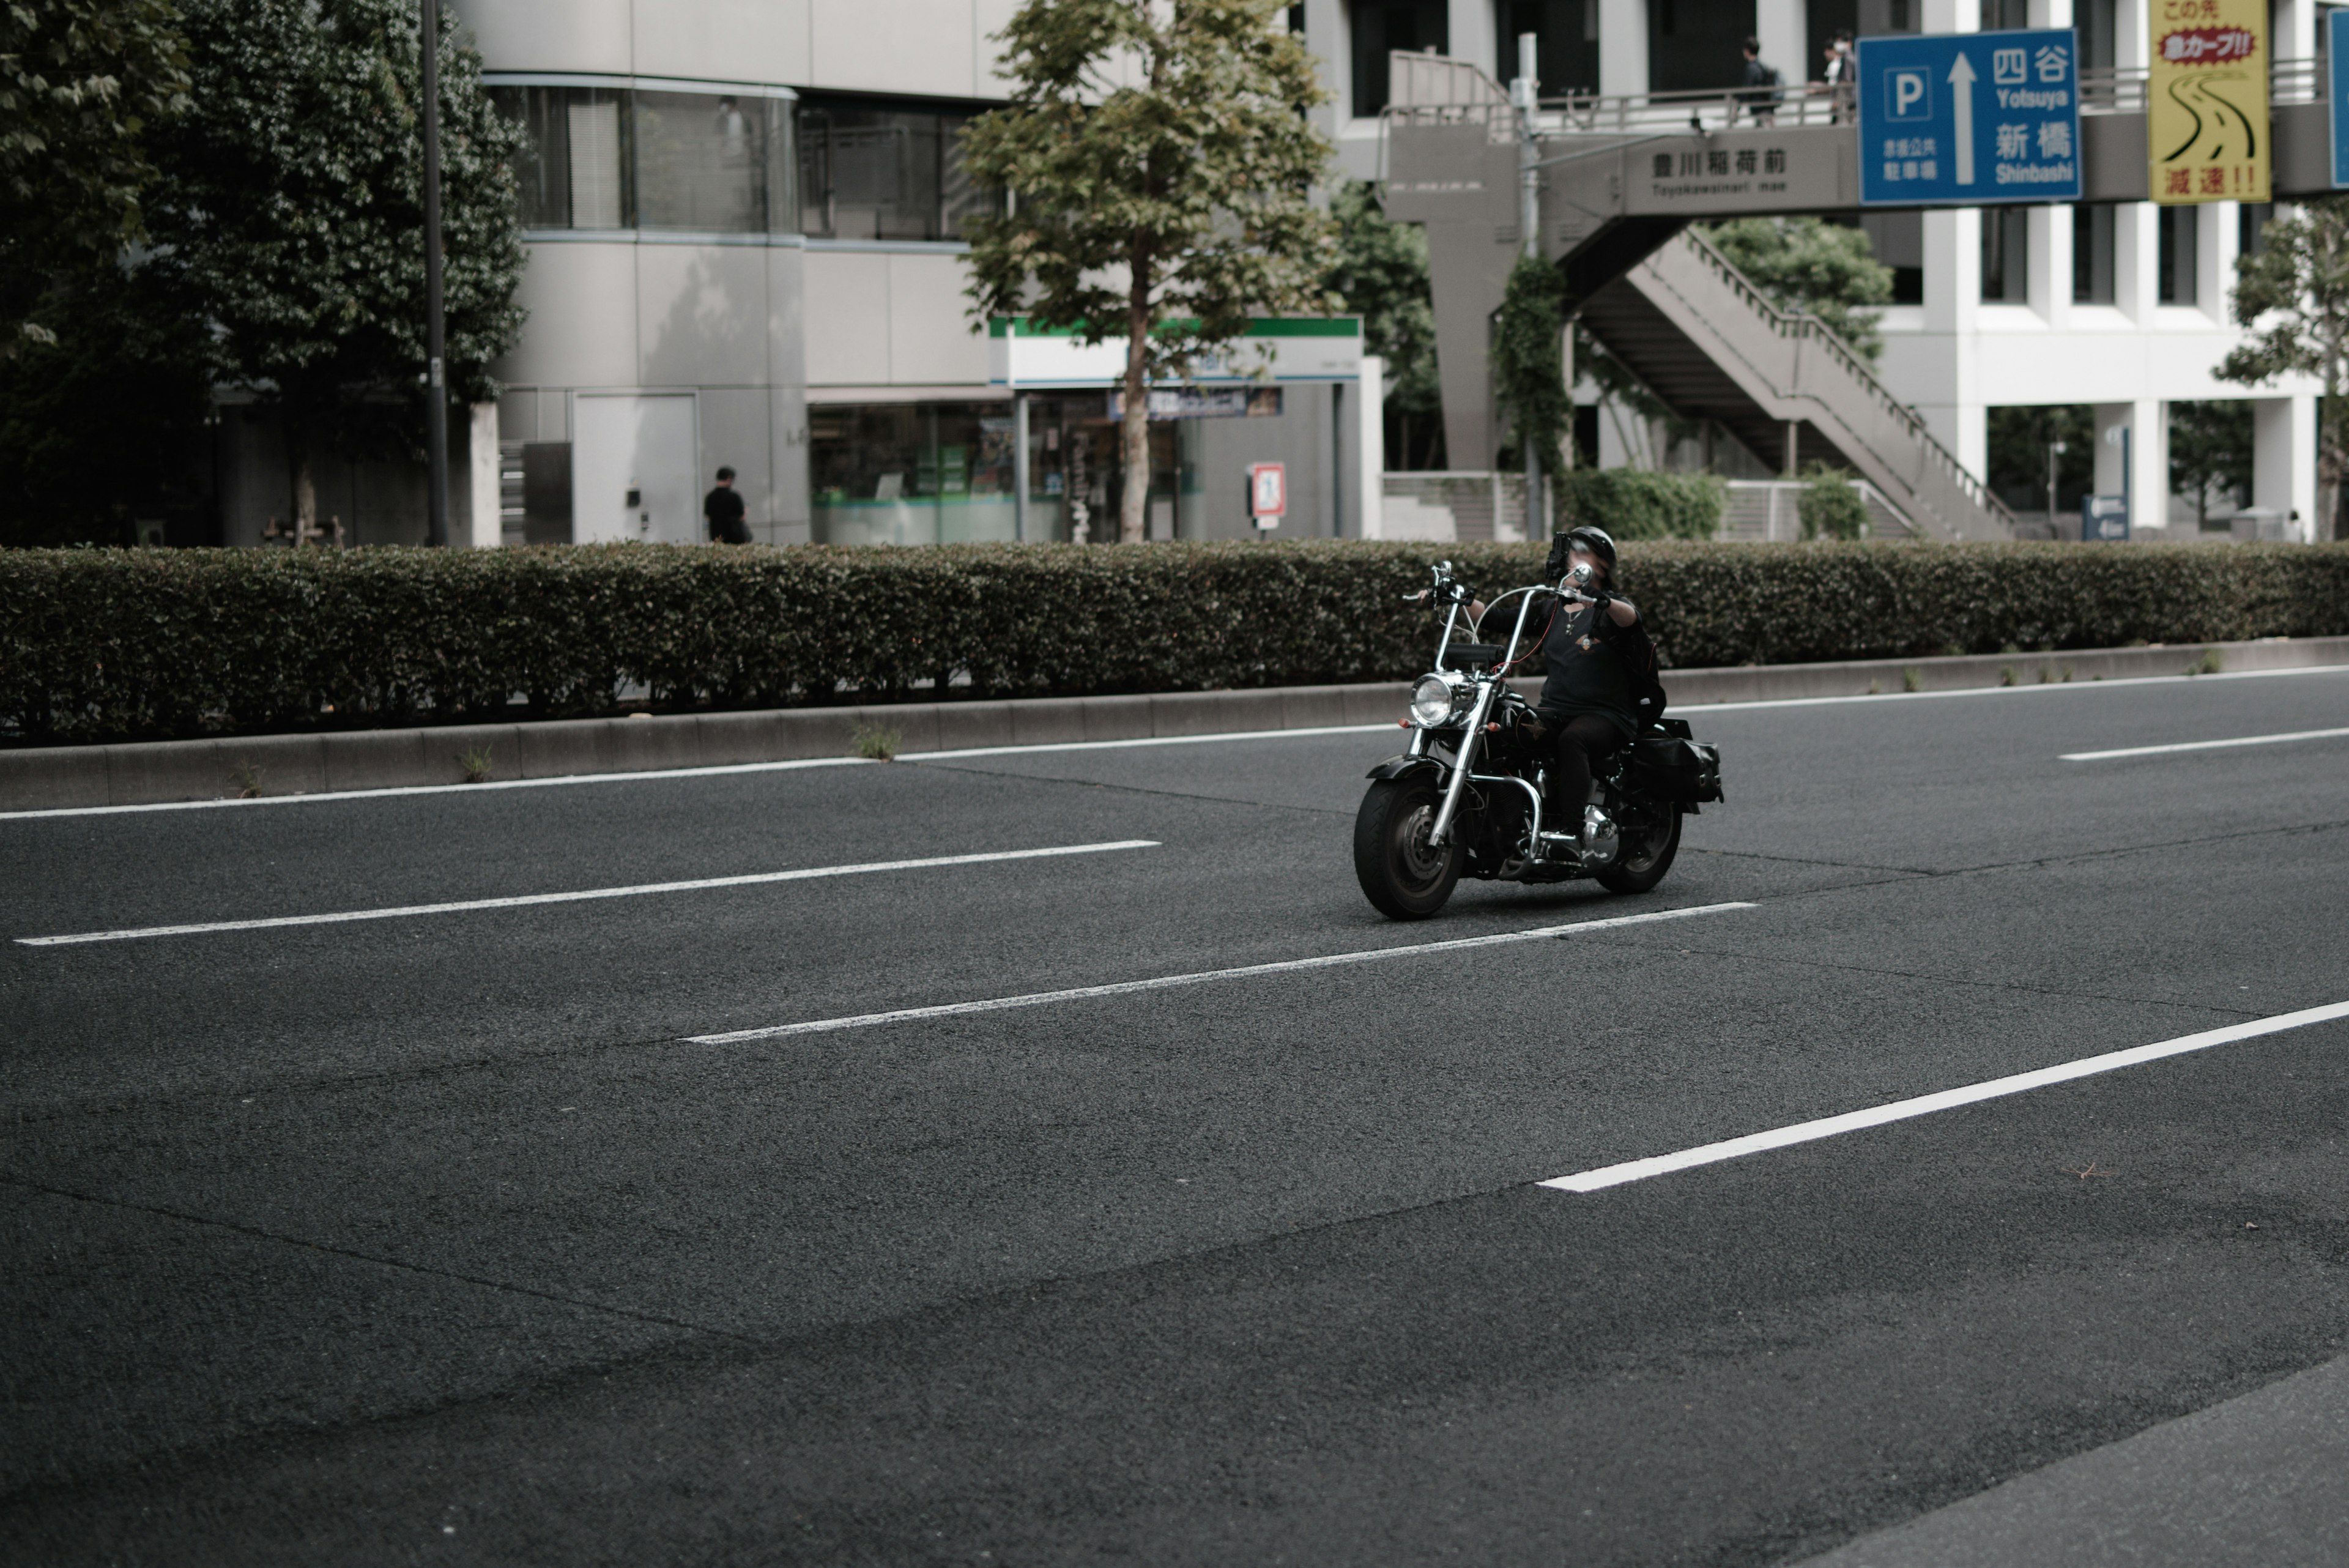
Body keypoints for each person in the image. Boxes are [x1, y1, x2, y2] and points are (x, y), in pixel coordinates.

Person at [1532, 526, 1648, 844]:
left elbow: (1632, 619)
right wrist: (1460, 599)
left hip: (1606, 715)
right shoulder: (1551, 607)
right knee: (1511, 729)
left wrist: (1602, 601)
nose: (1574, 559)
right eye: (1572, 552)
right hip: (1555, 709)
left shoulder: (1610, 606)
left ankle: (1571, 832)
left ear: (1602, 565)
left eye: (1584, 552)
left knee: (1574, 740)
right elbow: (1494, 617)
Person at [703, 466, 752, 544]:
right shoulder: (734, 496)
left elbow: (708, 516)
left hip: (716, 537)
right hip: (735, 537)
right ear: (729, 478)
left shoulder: (710, 497)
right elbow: (741, 516)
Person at [1739, 38, 1782, 126]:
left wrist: (1738, 105)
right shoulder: (1763, 67)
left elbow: (1746, 90)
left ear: (1747, 51)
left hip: (1760, 109)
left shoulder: (1751, 68)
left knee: (1762, 136)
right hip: (1769, 109)